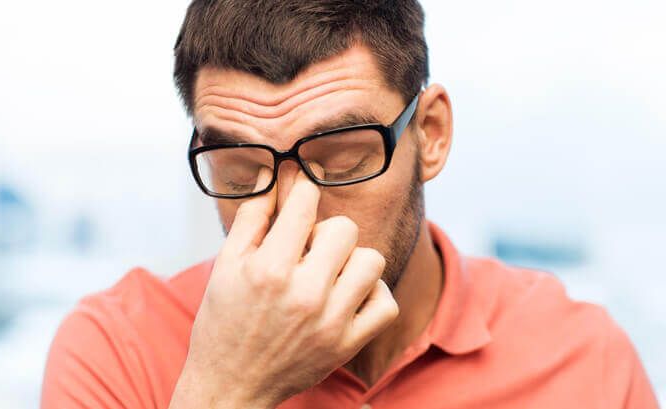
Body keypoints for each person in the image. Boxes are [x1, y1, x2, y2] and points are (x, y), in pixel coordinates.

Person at [40, 1, 659, 408]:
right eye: (241, 169)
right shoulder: (116, 351)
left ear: (431, 134)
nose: (292, 214)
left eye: (341, 159)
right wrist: (226, 389)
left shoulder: (582, 360)